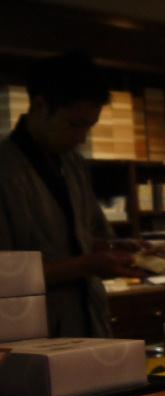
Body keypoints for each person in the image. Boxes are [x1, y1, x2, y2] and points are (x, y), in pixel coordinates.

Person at [0, 52, 141, 337]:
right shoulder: (6, 170)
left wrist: (116, 247)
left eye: (89, 126)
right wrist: (86, 265)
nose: (82, 137)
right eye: (74, 124)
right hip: (33, 333)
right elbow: (5, 275)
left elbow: (87, 235)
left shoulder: (73, 164)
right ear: (40, 106)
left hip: (89, 323)